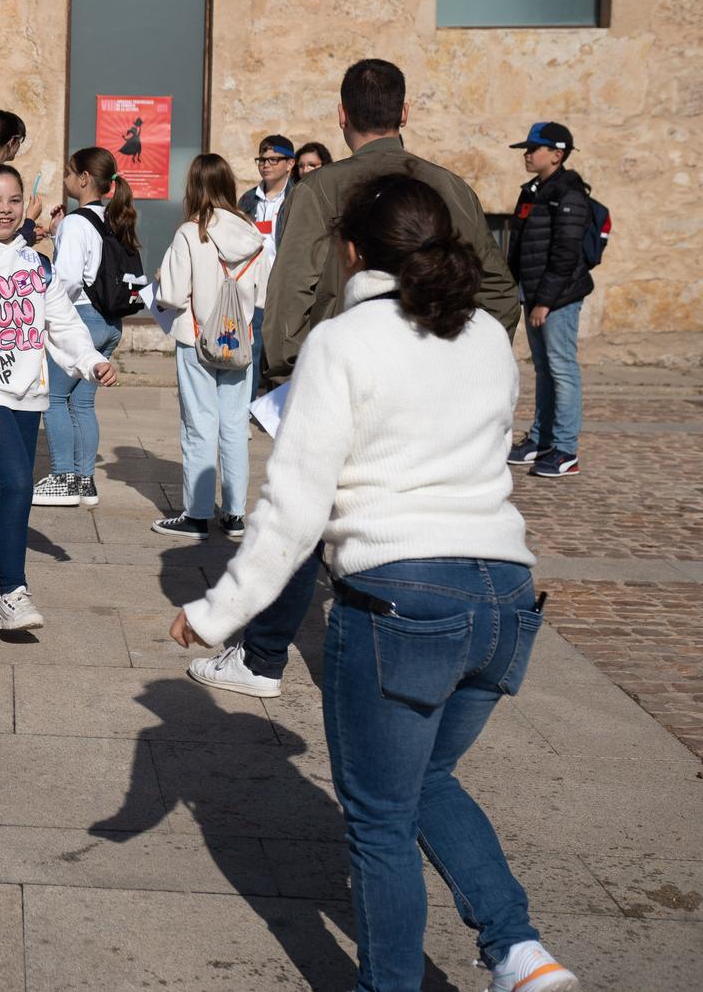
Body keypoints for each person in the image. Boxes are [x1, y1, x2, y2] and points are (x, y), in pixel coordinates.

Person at [170, 174, 577, 992]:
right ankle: (518, 948)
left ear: (352, 250)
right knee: (428, 779)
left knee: (381, 822)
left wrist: (219, 612)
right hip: (503, 595)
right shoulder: (489, 338)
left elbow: (292, 505)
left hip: (401, 598)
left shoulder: (344, 341)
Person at [188, 57, 520, 700]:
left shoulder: (320, 190)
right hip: (433, 395)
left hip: (340, 369)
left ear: (341, 116)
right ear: (404, 113)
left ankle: (261, 658)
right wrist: (458, 349)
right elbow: (500, 293)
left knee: (303, 509)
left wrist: (283, 376)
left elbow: (292, 294)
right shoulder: (451, 188)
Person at [0, 165, 116, 628]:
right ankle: (13, 592)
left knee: (10, 486)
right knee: (20, 484)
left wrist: (91, 360)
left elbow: (62, 321)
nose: (4, 210)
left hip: (29, 392)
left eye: (12, 200)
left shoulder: (36, 263)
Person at [151, 154, 269, 541]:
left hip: (196, 338)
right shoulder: (253, 234)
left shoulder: (191, 232)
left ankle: (198, 513)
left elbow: (171, 293)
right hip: (240, 342)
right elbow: (264, 292)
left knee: (199, 423)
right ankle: (235, 514)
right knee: (235, 424)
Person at [34, 146, 139, 508]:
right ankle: (84, 481)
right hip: (110, 323)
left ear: (83, 179)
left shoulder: (78, 223)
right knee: (82, 403)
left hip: (82, 319)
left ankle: (63, 476)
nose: (64, 180)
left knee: (55, 399)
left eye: (68, 173)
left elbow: (67, 280)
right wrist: (55, 234)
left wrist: (49, 313)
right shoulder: (114, 217)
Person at [506, 122, 595, 479]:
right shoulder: (532, 191)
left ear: (557, 155)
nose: (527, 154)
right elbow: (520, 246)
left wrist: (544, 302)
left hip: (558, 297)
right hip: (534, 294)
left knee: (562, 369)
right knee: (543, 369)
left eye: (533, 148)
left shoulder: (570, 194)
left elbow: (565, 254)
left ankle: (565, 449)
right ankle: (541, 441)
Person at [239, 134, 296, 390]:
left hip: (285, 285)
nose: (266, 165)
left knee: (283, 354)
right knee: (252, 349)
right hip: (254, 287)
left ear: (290, 164)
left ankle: (277, 410)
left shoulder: (297, 197)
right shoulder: (248, 200)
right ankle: (247, 410)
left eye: (274, 159)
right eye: (262, 159)